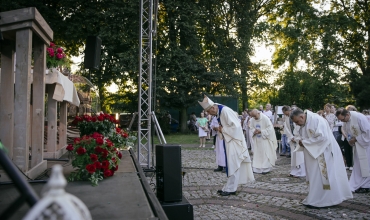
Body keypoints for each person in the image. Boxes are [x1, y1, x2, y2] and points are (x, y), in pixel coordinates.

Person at [290, 108, 352, 208]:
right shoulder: (303, 123)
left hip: (323, 153)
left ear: (302, 116)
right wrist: (300, 140)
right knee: (314, 176)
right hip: (312, 154)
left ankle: (327, 200)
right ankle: (315, 197)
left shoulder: (316, 120)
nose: (297, 124)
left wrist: (304, 142)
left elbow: (323, 138)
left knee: (324, 177)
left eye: (297, 121)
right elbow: (301, 136)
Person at [198, 95, 254, 196]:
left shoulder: (224, 111)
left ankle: (231, 189)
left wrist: (221, 129)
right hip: (229, 140)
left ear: (213, 108)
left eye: (210, 112)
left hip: (234, 141)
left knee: (233, 164)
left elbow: (236, 127)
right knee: (230, 164)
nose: (211, 115)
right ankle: (229, 187)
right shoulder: (219, 112)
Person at [335, 108, 370, 193]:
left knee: (366, 165)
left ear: (347, 115)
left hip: (366, 145)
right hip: (358, 145)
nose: (342, 121)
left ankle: (366, 185)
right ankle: (359, 184)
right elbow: (348, 132)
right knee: (358, 166)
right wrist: (350, 139)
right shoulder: (346, 121)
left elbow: (368, 132)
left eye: (342, 119)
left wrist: (356, 139)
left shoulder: (359, 117)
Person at [249, 109, 278, 174]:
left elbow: (270, 129)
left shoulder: (265, 118)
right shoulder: (253, 119)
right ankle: (257, 168)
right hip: (257, 139)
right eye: (253, 117)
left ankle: (266, 168)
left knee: (265, 153)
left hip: (265, 139)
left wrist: (261, 131)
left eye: (255, 116)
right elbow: (251, 127)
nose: (254, 118)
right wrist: (254, 131)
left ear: (258, 113)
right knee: (258, 154)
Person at [282, 105, 305, 177]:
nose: (286, 115)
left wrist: (296, 137)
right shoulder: (286, 118)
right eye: (285, 114)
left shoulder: (295, 115)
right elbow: (286, 128)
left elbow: (299, 126)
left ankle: (301, 171)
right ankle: (294, 171)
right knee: (294, 156)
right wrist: (291, 137)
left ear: (289, 111)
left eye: (287, 113)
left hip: (298, 138)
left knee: (300, 156)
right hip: (292, 138)